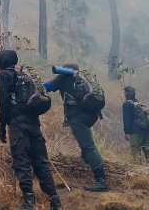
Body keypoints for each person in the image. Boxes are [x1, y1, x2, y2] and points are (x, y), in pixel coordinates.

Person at [0, 50, 63, 210]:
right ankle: (55, 200)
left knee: (21, 159)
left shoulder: (4, 75)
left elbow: (3, 103)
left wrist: (2, 127)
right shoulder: (23, 73)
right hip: (33, 122)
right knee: (40, 161)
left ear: (1, 64)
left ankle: (29, 202)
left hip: (18, 124)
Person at [43, 63, 109, 192]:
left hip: (77, 117)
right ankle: (86, 159)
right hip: (92, 115)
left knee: (88, 146)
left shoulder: (63, 77)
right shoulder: (83, 79)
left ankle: (101, 181)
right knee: (86, 144)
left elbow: (47, 87)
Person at [122, 86, 149, 163]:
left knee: (136, 153)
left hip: (135, 132)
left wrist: (127, 132)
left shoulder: (127, 104)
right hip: (145, 131)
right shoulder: (138, 103)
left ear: (126, 93)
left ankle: (138, 171)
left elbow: (127, 119)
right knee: (148, 152)